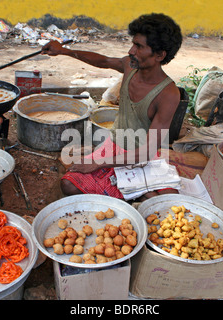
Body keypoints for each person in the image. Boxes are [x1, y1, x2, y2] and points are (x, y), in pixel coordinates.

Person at [41, 13, 183, 201]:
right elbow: (103, 61)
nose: (131, 51)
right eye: (133, 44)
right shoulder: (129, 66)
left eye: (139, 46)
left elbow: (147, 152)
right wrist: (64, 50)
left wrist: (98, 163)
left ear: (159, 55)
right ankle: (128, 194)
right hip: (114, 146)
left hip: (141, 157)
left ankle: (134, 194)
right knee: (68, 184)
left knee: (159, 203)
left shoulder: (168, 94)